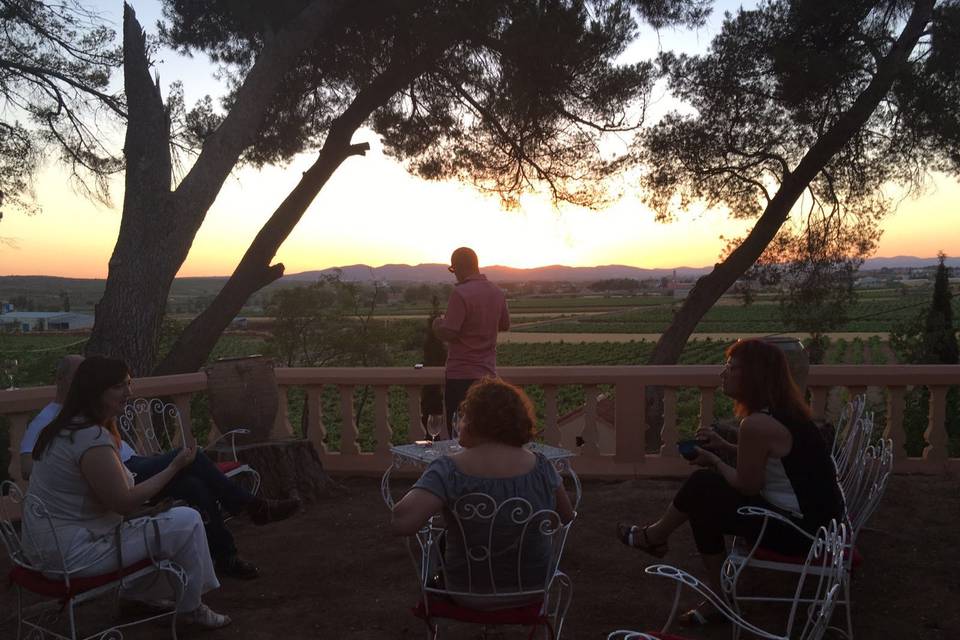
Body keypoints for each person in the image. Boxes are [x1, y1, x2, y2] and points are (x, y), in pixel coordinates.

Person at [616, 339, 844, 627]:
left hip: (801, 535)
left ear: (754, 376)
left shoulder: (757, 424)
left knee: (703, 490)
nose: (723, 373)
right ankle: (665, 546)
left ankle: (660, 542)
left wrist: (714, 460)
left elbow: (747, 485)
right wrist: (724, 445)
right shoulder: (784, 412)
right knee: (704, 495)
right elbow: (777, 464)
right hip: (822, 525)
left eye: (731, 367)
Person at [20, 355, 300, 580]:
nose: (127, 391)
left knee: (193, 484)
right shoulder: (51, 421)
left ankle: (226, 555)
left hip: (132, 466)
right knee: (190, 457)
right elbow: (28, 467)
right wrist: (86, 475)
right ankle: (251, 507)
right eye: (118, 385)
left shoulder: (90, 417)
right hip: (123, 474)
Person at [23, 356, 230, 628]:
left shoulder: (62, 428)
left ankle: (140, 596)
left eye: (129, 384)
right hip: (72, 556)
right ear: (96, 391)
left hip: (42, 549)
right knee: (187, 521)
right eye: (120, 386)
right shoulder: (89, 439)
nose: (129, 392)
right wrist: (174, 467)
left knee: (160, 523)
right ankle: (191, 607)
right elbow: (124, 503)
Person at [391, 378, 575, 605]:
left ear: (474, 421)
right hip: (533, 590)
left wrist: (432, 486)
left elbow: (401, 522)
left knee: (436, 545)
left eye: (465, 416)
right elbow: (566, 517)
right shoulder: (541, 466)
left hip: (467, 592)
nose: (460, 424)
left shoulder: (450, 469)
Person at [432, 247, 510, 436]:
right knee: (487, 434)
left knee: (459, 435)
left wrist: (437, 325)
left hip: (461, 377)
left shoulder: (460, 294)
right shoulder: (496, 292)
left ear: (457, 267)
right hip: (488, 377)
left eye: (453, 269)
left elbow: (450, 332)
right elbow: (504, 325)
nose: (454, 274)